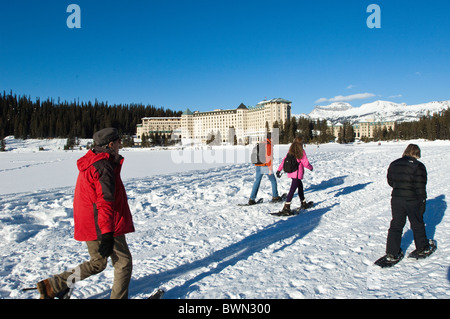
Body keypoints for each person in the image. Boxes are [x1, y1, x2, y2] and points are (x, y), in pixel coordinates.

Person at [37, 128, 135, 299]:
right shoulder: (103, 166)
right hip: (103, 223)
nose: (121, 144)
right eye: (119, 141)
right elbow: (105, 202)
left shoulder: (92, 160)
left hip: (91, 221)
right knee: (123, 263)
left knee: (98, 263)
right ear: (111, 144)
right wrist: (107, 233)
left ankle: (54, 285)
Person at [384, 144, 434, 262]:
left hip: (397, 199)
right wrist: (422, 201)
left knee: (396, 224)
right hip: (413, 199)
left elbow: (390, 181)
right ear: (416, 153)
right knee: (417, 223)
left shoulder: (394, 163)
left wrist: (400, 187)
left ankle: (392, 252)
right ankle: (422, 247)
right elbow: (421, 186)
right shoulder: (418, 166)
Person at [276, 137, 313, 214]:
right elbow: (305, 163)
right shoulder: (301, 151)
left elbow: (284, 161)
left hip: (292, 172)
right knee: (292, 190)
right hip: (297, 173)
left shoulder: (291, 151)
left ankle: (303, 203)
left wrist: (279, 170)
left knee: (300, 187)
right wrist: (311, 167)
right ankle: (286, 206)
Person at [248, 132, 282, 205]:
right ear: (271, 138)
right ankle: (275, 196)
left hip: (258, 165)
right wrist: (270, 169)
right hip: (265, 166)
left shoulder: (261, 143)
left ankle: (251, 199)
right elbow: (268, 158)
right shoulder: (268, 145)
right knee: (273, 181)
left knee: (257, 181)